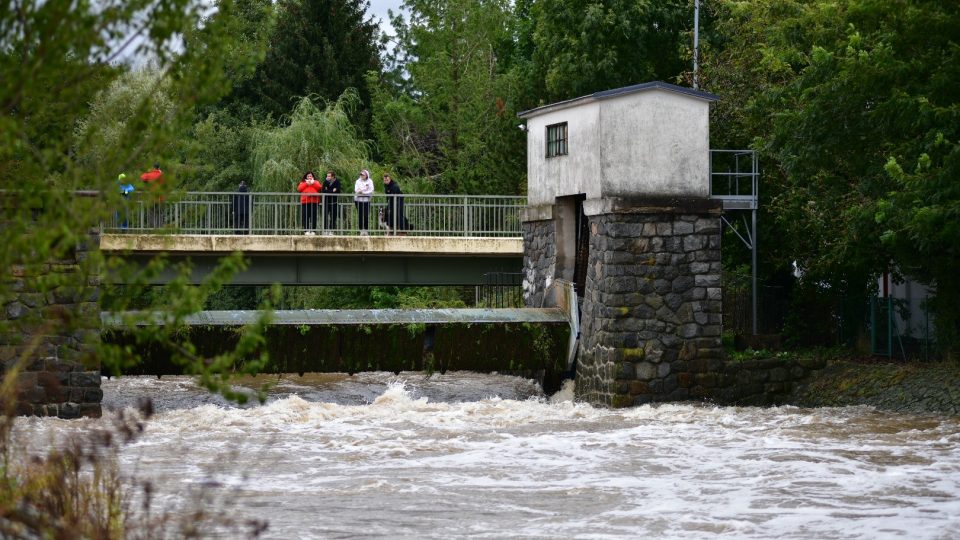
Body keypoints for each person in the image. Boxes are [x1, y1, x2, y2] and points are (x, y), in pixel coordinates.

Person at [140, 163, 164, 228]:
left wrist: (148, 172)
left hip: (152, 197)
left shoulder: (149, 174)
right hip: (160, 198)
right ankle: (160, 228)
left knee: (151, 213)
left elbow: (142, 178)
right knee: (160, 213)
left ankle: (152, 228)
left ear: (153, 167)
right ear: (159, 168)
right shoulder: (161, 174)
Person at [353, 169, 373, 236]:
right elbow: (356, 190)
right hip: (358, 200)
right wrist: (362, 191)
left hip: (367, 200)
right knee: (360, 215)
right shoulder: (358, 181)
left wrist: (363, 192)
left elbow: (371, 190)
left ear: (366, 175)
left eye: (363, 175)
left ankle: (366, 230)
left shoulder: (370, 181)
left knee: (366, 215)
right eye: (360, 174)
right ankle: (361, 230)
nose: (361, 176)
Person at [321, 170, 341, 235]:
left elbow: (338, 191)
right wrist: (332, 191)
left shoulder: (337, 182)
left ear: (333, 176)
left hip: (334, 202)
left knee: (333, 217)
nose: (328, 177)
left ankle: (331, 230)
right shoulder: (325, 182)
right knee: (325, 216)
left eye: (329, 176)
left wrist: (328, 190)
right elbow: (323, 191)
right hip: (326, 202)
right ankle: (325, 230)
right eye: (327, 176)